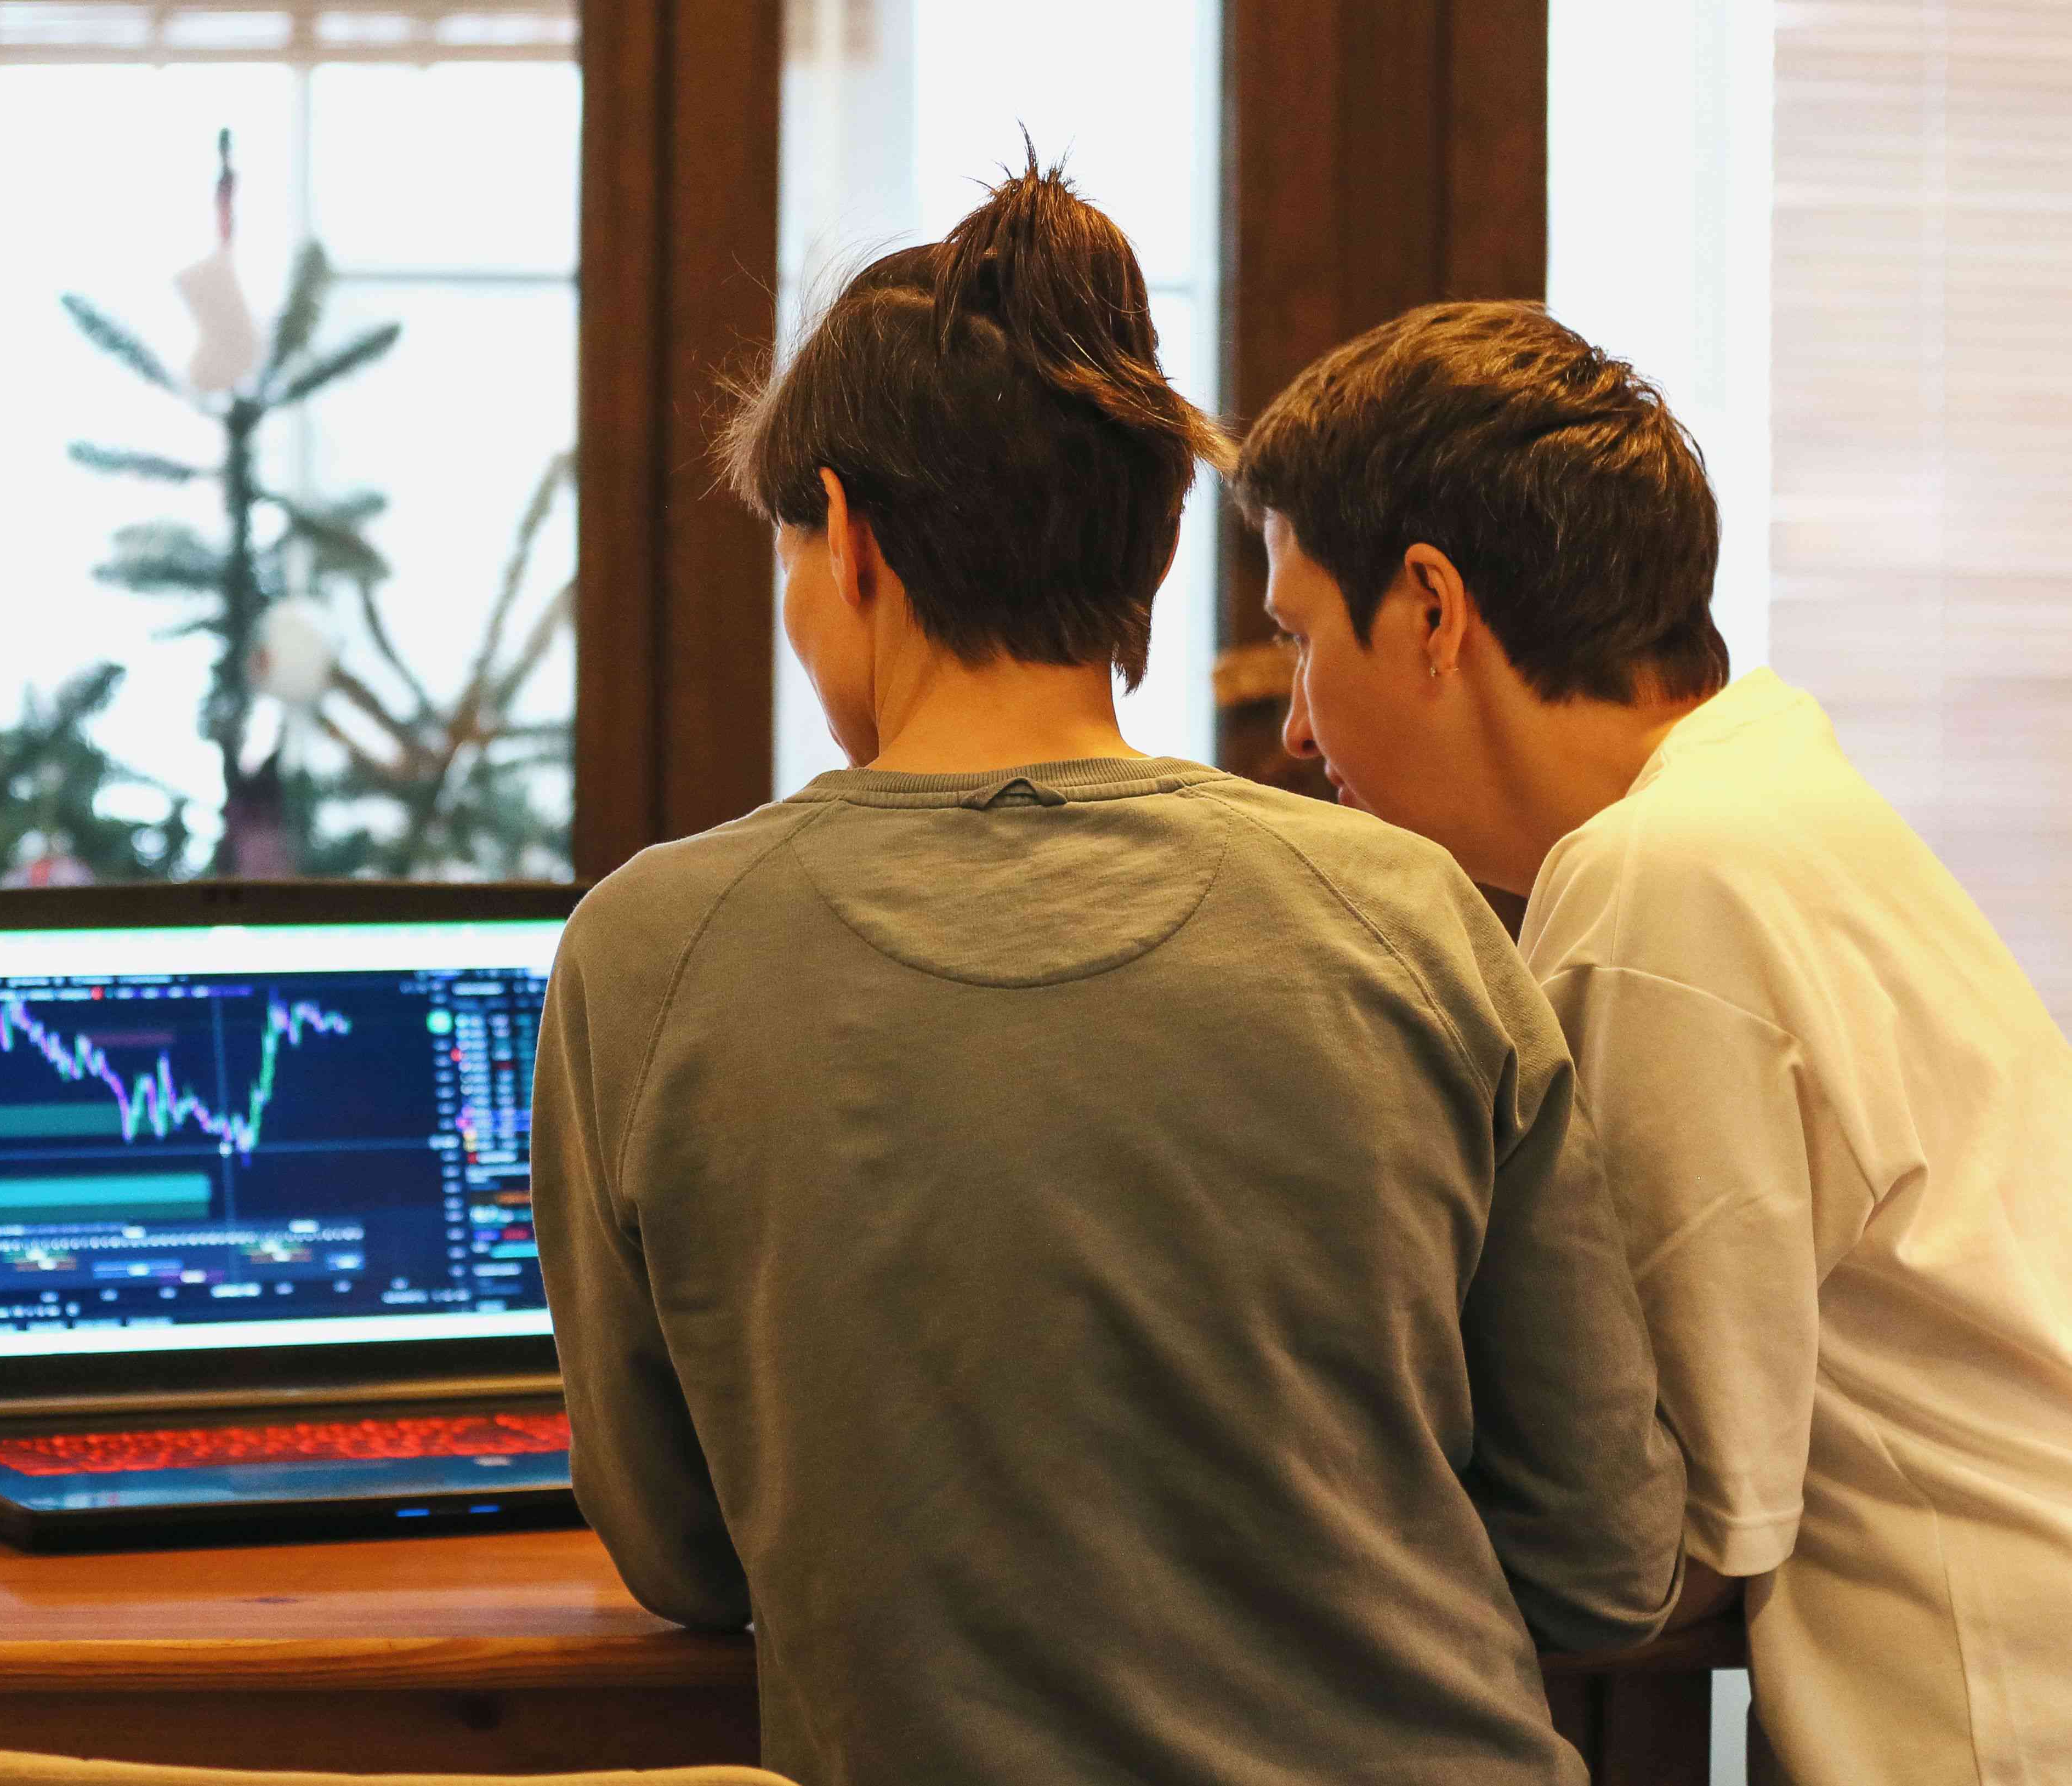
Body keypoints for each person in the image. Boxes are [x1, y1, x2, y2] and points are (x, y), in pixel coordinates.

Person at [529, 163, 1683, 1786]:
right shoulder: (1412, 921)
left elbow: (687, 1555)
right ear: (1142, 556)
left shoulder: (651, 956)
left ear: (847, 542)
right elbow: (1603, 1558)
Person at [1236, 299, 2072, 1786]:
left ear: (1431, 608)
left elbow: (1660, 1531)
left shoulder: (1668, 877)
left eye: (1300, 639)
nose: (1297, 730)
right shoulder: (1754, 799)